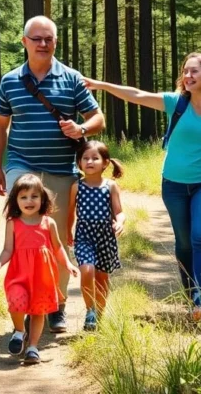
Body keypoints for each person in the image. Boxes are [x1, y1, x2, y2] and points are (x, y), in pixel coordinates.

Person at [85, 52, 201, 324]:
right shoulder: (176, 103)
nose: (187, 76)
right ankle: (192, 297)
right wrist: (101, 85)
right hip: (173, 185)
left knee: (200, 237)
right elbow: (137, 95)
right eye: (185, 72)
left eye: (194, 72)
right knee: (184, 242)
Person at [0, 15, 105, 332]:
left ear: (55, 42)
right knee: (25, 233)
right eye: (37, 38)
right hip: (21, 164)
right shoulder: (10, 80)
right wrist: (0, 169)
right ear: (24, 41)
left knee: (56, 238)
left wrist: (81, 127)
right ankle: (25, 299)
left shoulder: (70, 78)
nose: (43, 44)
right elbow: (0, 126)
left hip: (60, 170)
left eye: (49, 39)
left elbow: (98, 117)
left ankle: (56, 304)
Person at [0, 174, 79, 365]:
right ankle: (19, 331)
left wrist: (68, 264)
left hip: (42, 277)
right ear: (15, 200)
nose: (29, 201)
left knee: (38, 312)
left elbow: (58, 248)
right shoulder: (13, 223)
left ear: (42, 198)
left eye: (34, 196)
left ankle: (32, 347)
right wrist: (0, 262)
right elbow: (8, 249)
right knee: (16, 301)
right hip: (19, 275)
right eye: (23, 197)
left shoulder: (49, 223)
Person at [67, 140, 125, 332]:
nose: (89, 162)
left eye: (95, 158)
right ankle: (90, 310)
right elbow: (70, 213)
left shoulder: (110, 186)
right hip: (84, 235)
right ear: (79, 163)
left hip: (105, 238)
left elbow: (119, 211)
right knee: (87, 270)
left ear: (105, 162)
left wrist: (120, 222)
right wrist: (68, 231)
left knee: (101, 278)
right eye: (85, 158)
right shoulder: (77, 186)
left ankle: (99, 315)